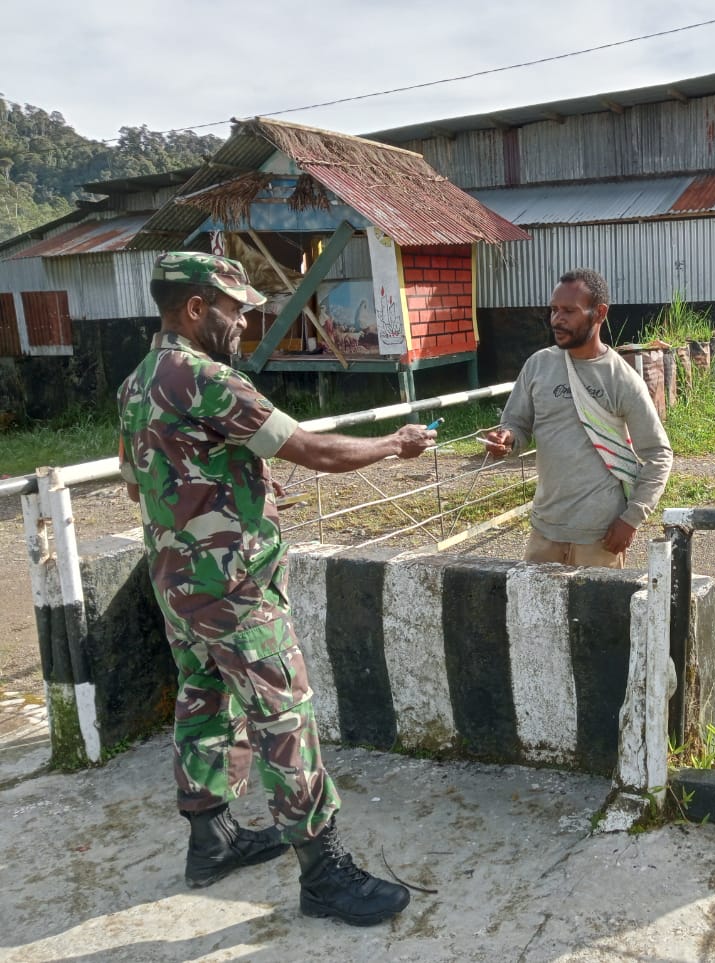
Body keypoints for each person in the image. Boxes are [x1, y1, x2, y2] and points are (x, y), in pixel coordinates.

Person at [118, 252, 436, 926]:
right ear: (196, 308)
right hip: (235, 590)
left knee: (204, 705)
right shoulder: (205, 377)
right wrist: (392, 445)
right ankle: (325, 873)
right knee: (284, 717)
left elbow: (149, 478)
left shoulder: (139, 382)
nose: (244, 320)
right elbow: (314, 449)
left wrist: (246, 483)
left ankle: (212, 840)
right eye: (234, 308)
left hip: (179, 586)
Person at [484, 268, 672, 567]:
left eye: (569, 311)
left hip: (601, 537)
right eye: (554, 310)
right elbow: (516, 424)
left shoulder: (621, 379)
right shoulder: (538, 365)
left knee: (596, 616)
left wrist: (632, 518)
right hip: (545, 530)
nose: (557, 319)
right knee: (537, 614)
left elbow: (658, 454)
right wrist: (505, 439)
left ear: (599, 313)